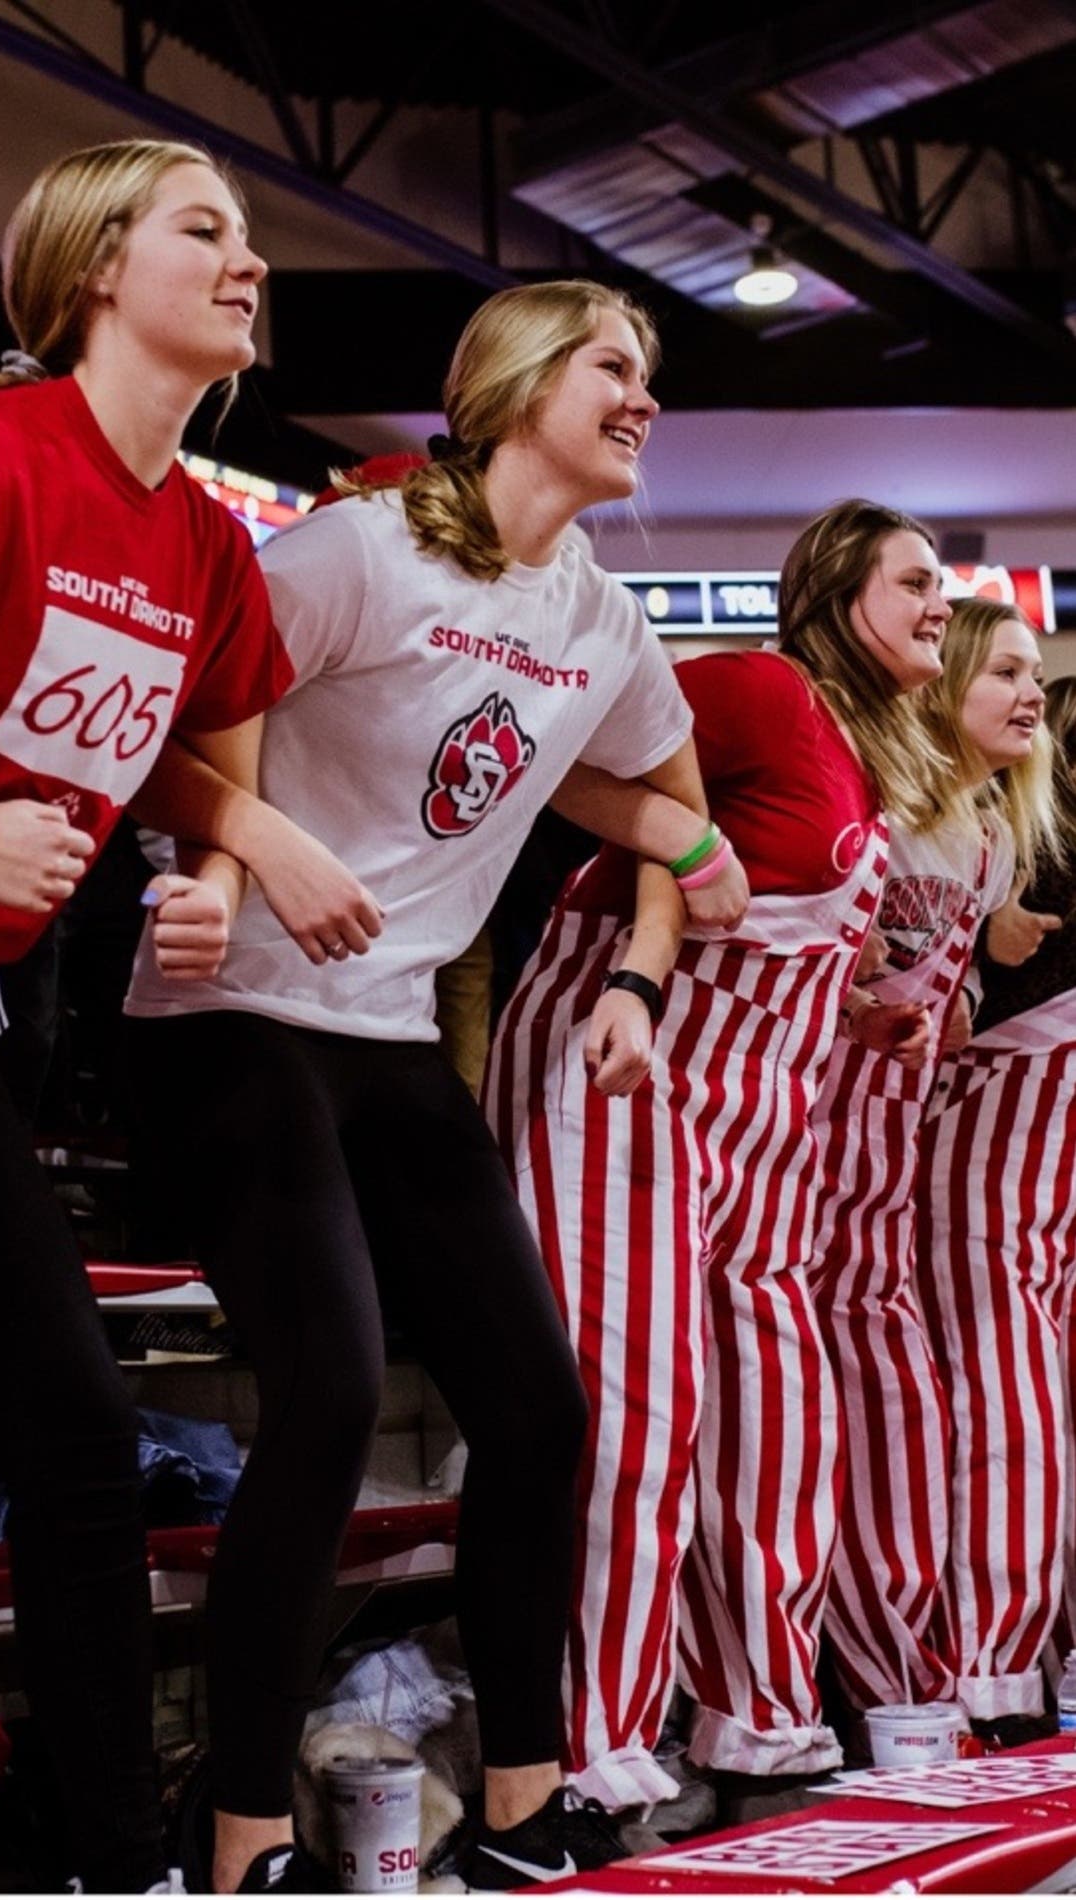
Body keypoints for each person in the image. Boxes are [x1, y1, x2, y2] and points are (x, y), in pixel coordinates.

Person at [123, 278, 748, 1893]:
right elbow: (158, 731)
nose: (644, 398)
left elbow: (674, 814)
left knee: (539, 1415)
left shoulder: (601, 616)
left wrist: (639, 973)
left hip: (395, 1040)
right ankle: (243, 1833)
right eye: (615, 366)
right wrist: (252, 845)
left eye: (650, 373)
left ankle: (528, 1818)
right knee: (327, 1397)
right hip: (230, 1016)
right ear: (521, 382)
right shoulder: (352, 552)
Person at [485, 499, 951, 1822]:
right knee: (639, 1424)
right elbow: (558, 756)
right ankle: (592, 1750)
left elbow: (771, 917)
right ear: (833, 590)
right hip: (631, 1078)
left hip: (762, 1124)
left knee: (780, 1429)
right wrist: (666, 884)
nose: (940, 603)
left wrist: (860, 1005)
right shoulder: (756, 687)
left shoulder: (863, 752)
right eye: (915, 579)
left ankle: (759, 1722)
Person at [0, 138, 305, 1893]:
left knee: (82, 1450)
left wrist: (222, 878)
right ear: (98, 264)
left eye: (255, 238)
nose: (250, 263)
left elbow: (215, 762)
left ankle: (112, 1862)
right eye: (207, 231)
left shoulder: (203, 542)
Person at [809, 598, 1054, 1725]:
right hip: (797, 1146)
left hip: (886, 1161)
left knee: (961, 1387)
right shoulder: (872, 807)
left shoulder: (997, 836)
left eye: (1032, 670)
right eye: (1001, 669)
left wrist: (949, 995)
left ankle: (963, 1675)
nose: (1029, 690)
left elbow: (929, 997)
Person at [913, 669, 1075, 1741]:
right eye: (1003, 670)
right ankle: (1021, 1656)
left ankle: (998, 1664)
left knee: (998, 1364)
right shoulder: (975, 815)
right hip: (1030, 1061)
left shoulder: (1016, 817)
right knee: (1024, 1362)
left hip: (1022, 1063)